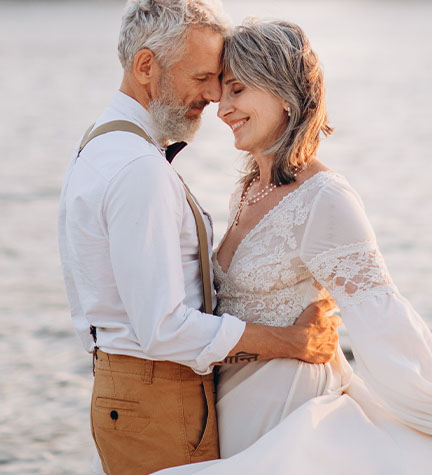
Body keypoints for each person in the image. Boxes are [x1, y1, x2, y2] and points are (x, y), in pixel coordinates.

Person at [58, 2, 340, 475]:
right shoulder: (137, 170)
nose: (213, 95)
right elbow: (164, 327)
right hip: (157, 393)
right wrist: (290, 342)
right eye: (201, 77)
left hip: (132, 388)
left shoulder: (101, 143)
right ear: (146, 66)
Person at [154, 19, 432, 475]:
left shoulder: (327, 198)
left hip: (287, 407)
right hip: (230, 400)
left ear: (283, 93)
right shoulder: (247, 189)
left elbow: (384, 319)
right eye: (222, 92)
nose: (222, 109)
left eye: (238, 90)